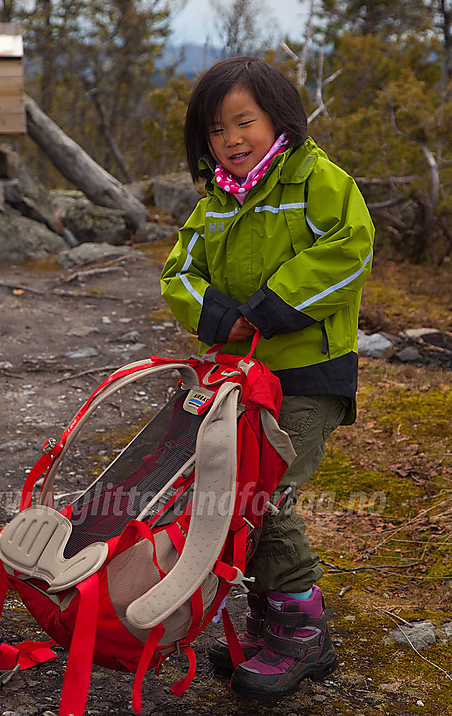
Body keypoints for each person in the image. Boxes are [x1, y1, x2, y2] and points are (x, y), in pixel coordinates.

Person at [160, 56, 375, 701]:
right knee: (232, 494)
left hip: (308, 374)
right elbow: (179, 270)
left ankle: (304, 636)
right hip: (241, 375)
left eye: (243, 122)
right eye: (216, 132)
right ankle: (271, 622)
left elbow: (351, 246)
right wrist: (217, 316)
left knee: (265, 496)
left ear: (278, 116)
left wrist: (274, 308)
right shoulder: (217, 202)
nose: (230, 140)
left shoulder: (316, 180)